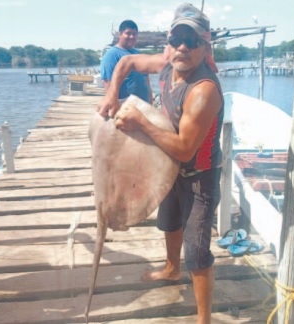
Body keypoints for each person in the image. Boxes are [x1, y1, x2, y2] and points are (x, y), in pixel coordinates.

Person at [97, 4, 223, 324]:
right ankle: (171, 268)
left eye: (192, 41)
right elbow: (126, 61)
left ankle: (204, 319)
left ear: (205, 46)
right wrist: (112, 94)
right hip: (168, 167)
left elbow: (184, 148)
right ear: (168, 41)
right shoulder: (167, 64)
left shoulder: (204, 90)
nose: (183, 47)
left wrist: (141, 121)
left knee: (196, 250)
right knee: (169, 222)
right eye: (177, 38)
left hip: (199, 175)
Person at [100, 19, 153, 103]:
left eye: (134, 34)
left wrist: (151, 102)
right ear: (120, 34)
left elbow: (147, 81)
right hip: (124, 107)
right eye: (128, 33)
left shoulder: (139, 54)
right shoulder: (111, 55)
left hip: (143, 106)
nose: (131, 37)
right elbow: (107, 83)